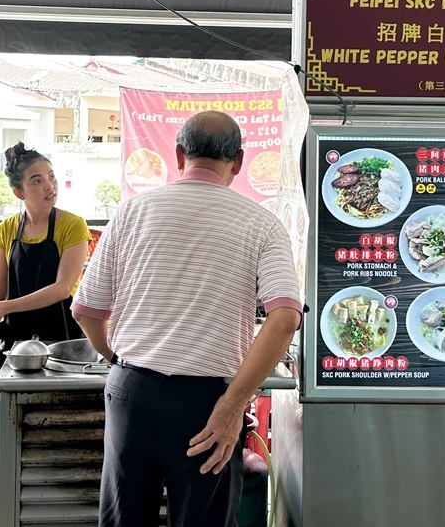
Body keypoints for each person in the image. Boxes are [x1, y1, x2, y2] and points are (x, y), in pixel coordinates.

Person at [71, 111, 302, 527]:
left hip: (133, 394)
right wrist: (233, 404)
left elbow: (85, 311)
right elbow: (285, 318)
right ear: (238, 161)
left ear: (179, 155)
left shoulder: (131, 212)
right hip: (209, 404)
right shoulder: (262, 223)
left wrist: (117, 359)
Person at [0, 143, 91, 348]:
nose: (49, 186)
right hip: (17, 339)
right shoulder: (6, 229)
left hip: (63, 338)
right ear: (19, 192)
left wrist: (5, 307)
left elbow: (62, 288)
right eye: (37, 181)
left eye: (51, 177)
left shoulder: (73, 225)